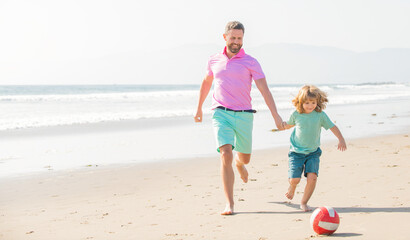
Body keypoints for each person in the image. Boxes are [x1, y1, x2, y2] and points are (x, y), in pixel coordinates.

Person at [194, 21, 284, 215]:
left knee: (244, 158)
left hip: (244, 115)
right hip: (221, 113)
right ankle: (230, 204)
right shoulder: (214, 60)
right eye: (233, 37)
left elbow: (264, 89)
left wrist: (276, 116)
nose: (236, 42)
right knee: (225, 153)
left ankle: (240, 163)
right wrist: (199, 107)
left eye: (240, 38)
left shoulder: (251, 62)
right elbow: (206, 83)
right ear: (225, 37)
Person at [282, 85, 347, 212]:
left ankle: (304, 202)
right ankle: (292, 187)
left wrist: (341, 139)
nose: (310, 105)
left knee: (312, 178)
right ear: (301, 102)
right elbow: (289, 125)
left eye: (313, 102)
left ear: (317, 102)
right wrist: (282, 125)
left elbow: (332, 127)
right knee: (295, 179)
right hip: (296, 152)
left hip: (313, 153)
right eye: (307, 103)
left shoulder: (320, 115)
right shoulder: (296, 114)